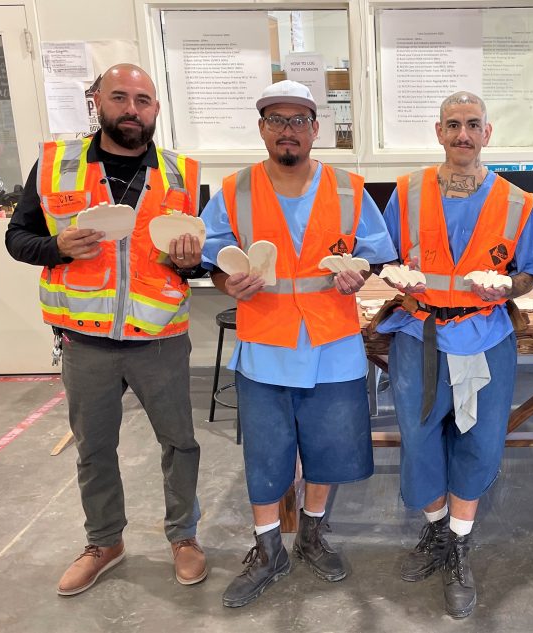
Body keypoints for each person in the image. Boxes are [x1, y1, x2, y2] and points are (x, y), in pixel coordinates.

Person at [5, 63, 207, 595]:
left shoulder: (183, 172)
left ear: (156, 110)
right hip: (85, 339)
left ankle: (184, 537)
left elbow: (193, 263)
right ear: (98, 101)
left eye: (143, 100)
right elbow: (18, 238)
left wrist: (191, 263)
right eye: (120, 97)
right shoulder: (55, 166)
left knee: (180, 443)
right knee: (94, 448)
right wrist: (56, 247)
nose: (132, 110)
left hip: (159, 339)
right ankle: (105, 542)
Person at [199, 80, 397, 608]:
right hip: (265, 344)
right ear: (262, 128)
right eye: (276, 120)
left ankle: (311, 534)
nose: (288, 130)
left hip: (332, 343)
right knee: (267, 457)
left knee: (328, 451)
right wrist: (226, 283)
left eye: (298, 120)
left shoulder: (350, 188)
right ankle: (268, 551)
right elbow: (213, 258)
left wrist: (361, 274)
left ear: (316, 128)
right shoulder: (236, 190)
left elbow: (375, 253)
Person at [377, 91, 533, 619]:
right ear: (438, 132)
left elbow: (532, 271)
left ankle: (458, 543)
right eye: (452, 125)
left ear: (487, 133)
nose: (462, 135)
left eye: (472, 125)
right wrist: (389, 275)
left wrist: (509, 287)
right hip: (419, 335)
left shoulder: (517, 202)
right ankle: (435, 531)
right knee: (420, 439)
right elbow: (382, 256)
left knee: (479, 443)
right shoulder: (405, 193)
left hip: (486, 337)